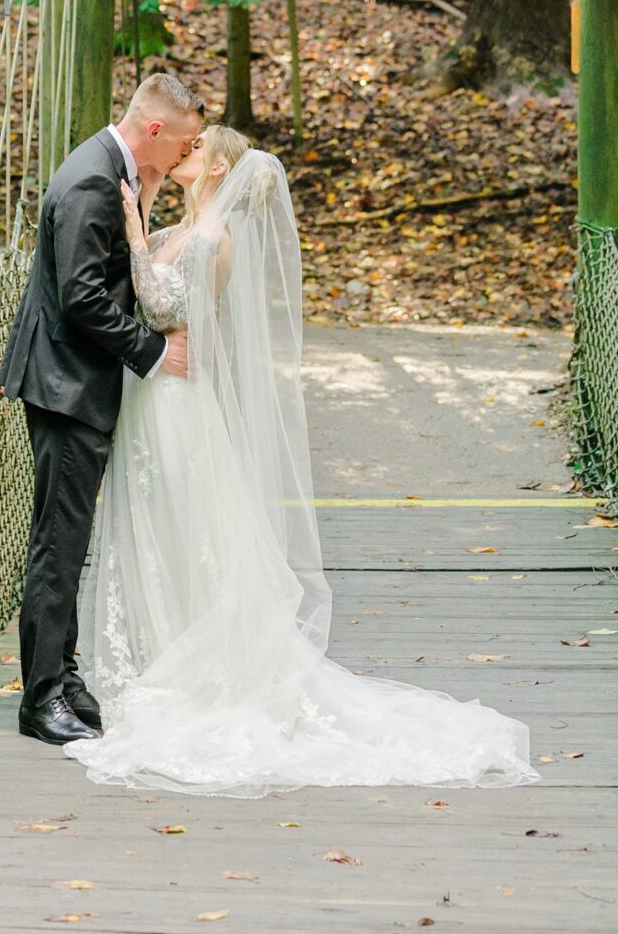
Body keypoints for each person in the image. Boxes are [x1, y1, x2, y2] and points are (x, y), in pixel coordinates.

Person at [66, 124, 536, 795]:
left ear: (220, 169)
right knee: (157, 525)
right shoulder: (180, 228)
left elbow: (164, 306)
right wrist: (139, 226)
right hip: (153, 396)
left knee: (191, 525)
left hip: (179, 401)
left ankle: (197, 668)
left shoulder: (213, 240)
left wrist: (138, 239)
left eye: (196, 147)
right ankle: (157, 655)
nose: (183, 152)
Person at [0, 74, 206, 745]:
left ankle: (62, 673)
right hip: (64, 383)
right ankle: (40, 698)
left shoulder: (111, 169)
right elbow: (82, 298)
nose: (185, 152)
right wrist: (150, 352)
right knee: (58, 543)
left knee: (69, 537)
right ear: (153, 129)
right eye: (182, 140)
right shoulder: (91, 179)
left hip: (72, 379)